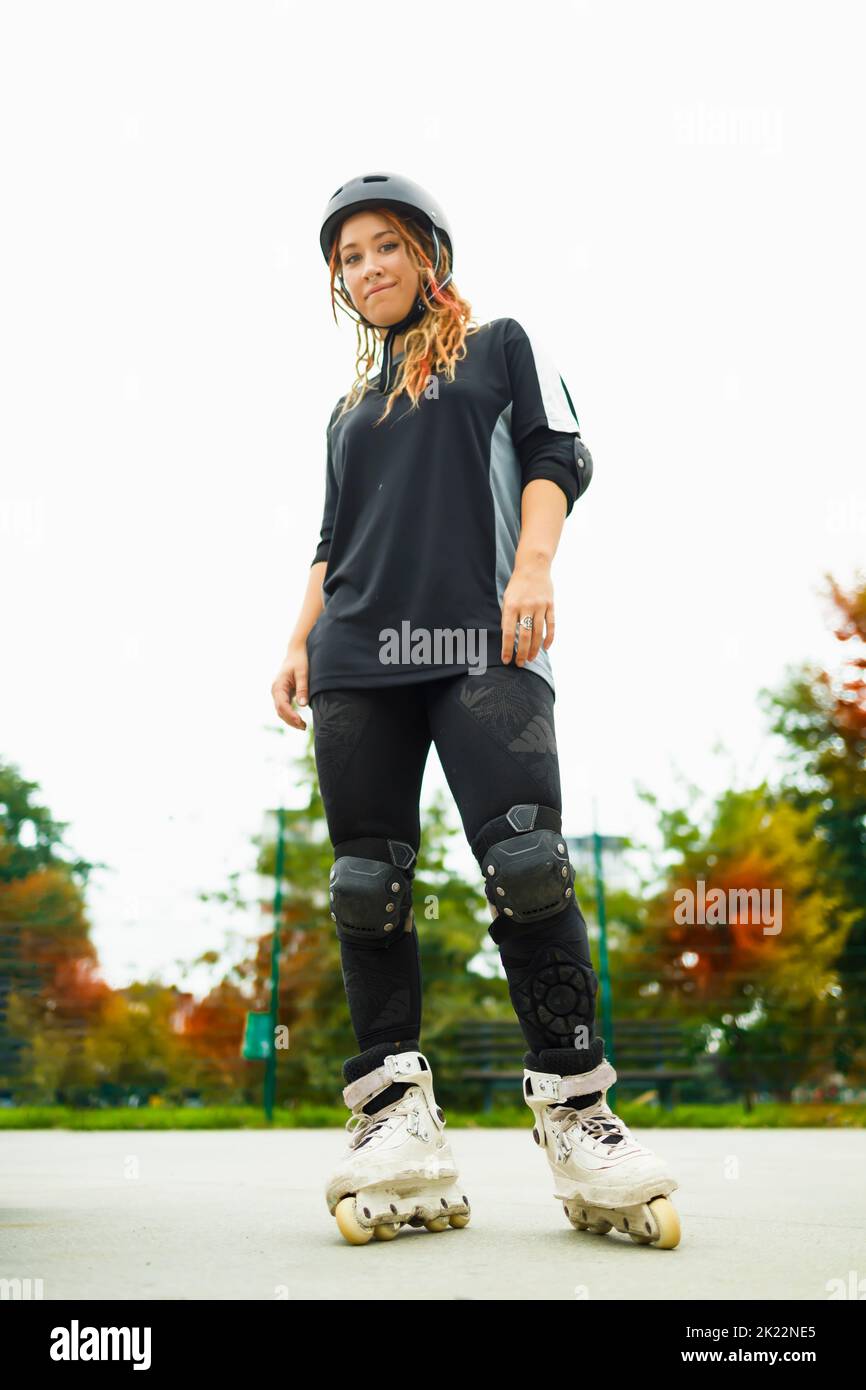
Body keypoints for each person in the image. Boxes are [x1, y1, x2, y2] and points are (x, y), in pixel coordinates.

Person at [271, 172, 680, 1248]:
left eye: (383, 247)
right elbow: (332, 539)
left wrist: (531, 568)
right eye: (348, 257)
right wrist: (294, 641)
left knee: (527, 862)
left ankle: (577, 1109)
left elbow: (557, 454)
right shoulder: (346, 410)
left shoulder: (499, 344)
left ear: (426, 253)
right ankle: (394, 1118)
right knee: (367, 881)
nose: (366, 269)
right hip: (358, 651)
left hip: (478, 635)